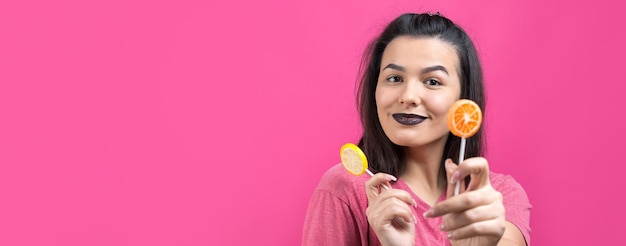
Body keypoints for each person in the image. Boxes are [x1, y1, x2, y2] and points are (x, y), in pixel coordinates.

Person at [302, 13, 531, 246]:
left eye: (432, 81)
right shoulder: (344, 189)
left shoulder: (498, 198)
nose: (408, 96)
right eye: (394, 78)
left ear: (463, 98)